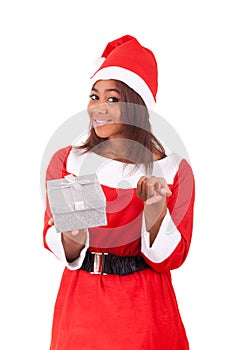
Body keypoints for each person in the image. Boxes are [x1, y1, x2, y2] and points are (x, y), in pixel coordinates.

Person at [43, 35, 195, 350]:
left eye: (113, 99)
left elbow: (172, 258)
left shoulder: (172, 171)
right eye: (94, 96)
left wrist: (155, 206)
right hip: (81, 306)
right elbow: (54, 239)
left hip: (146, 308)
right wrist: (73, 231)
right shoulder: (68, 162)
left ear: (137, 106)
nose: (98, 108)